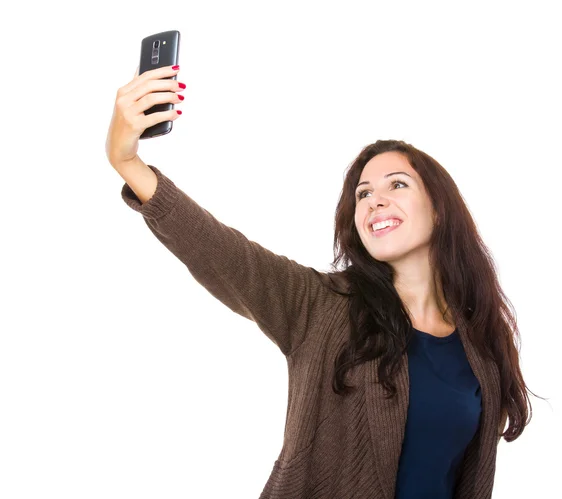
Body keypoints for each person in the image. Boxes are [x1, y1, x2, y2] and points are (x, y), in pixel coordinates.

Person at [106, 65, 537, 499]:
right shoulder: (320, 305)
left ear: (440, 210)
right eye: (363, 194)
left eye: (397, 184)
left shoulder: (481, 343)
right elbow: (221, 252)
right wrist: (127, 162)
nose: (375, 201)